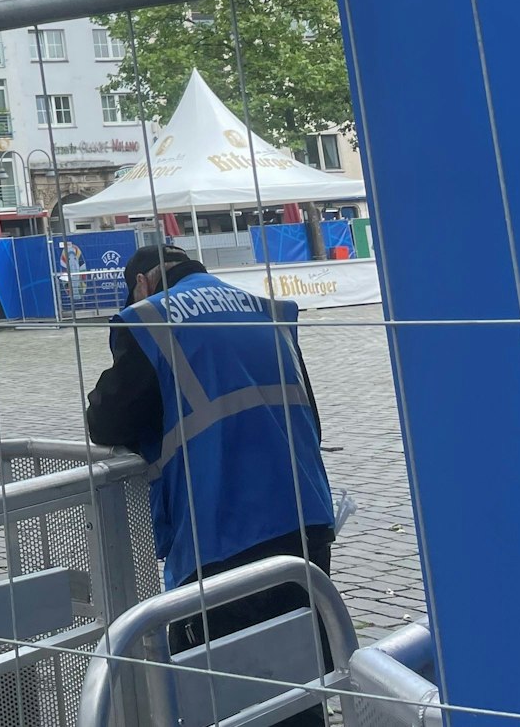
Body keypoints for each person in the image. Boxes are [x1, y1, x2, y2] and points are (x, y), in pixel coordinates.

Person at [86, 245, 336, 722]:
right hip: (305, 517)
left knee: (228, 693)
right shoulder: (267, 311)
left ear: (141, 283)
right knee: (302, 680)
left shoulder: (149, 319)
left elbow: (107, 420)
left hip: (221, 528)